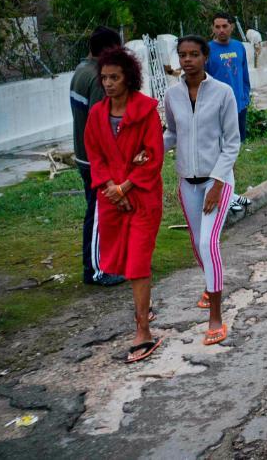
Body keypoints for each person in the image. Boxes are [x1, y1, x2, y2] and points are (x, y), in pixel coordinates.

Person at [85, 48, 165, 363]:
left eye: (114, 77)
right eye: (104, 77)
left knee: (138, 263)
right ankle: (143, 310)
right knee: (121, 260)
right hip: (112, 201)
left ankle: (143, 330)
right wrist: (110, 188)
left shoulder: (146, 111)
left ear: (128, 77)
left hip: (142, 199)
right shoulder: (96, 115)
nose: (108, 83)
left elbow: (152, 156)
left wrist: (126, 185)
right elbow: (95, 155)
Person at [163, 35, 241, 346]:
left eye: (194, 54)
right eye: (183, 55)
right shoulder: (172, 95)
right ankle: (210, 286)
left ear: (205, 57)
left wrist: (218, 183)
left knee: (209, 242)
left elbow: (232, 142)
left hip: (216, 181)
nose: (188, 60)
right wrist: (149, 149)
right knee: (197, 243)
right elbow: (172, 132)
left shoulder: (223, 93)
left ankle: (216, 316)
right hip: (187, 182)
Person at [71, 27, 126, 287]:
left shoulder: (80, 70)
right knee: (97, 214)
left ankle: (109, 262)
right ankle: (94, 270)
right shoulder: (97, 76)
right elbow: (100, 121)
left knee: (102, 212)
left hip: (85, 156)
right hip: (95, 159)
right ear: (107, 50)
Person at [205, 12, 252, 212]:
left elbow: (244, 76)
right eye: (217, 27)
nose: (221, 30)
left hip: (238, 108)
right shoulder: (207, 50)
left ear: (232, 26)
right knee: (222, 152)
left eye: (225, 26)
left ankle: (230, 191)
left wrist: (245, 97)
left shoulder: (239, 47)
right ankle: (225, 194)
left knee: (233, 150)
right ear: (212, 28)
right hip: (217, 110)